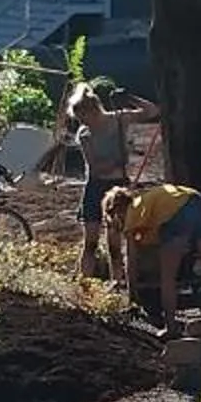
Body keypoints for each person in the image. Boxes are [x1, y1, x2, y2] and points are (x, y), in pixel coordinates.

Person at [64, 80, 155, 281]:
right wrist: (116, 163)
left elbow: (151, 111)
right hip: (96, 187)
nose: (82, 122)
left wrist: (128, 97)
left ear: (93, 110)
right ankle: (85, 283)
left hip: (117, 187)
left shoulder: (119, 119)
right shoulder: (85, 134)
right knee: (91, 241)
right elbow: (96, 168)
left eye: (83, 117)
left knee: (115, 242)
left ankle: (118, 282)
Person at [116, 181, 201, 336]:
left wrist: (132, 294)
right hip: (198, 203)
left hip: (178, 215)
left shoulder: (132, 209)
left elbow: (132, 258)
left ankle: (171, 328)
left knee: (168, 278)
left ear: (117, 210)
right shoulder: (150, 198)